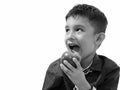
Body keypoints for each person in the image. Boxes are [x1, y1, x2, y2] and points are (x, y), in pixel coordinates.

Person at [42, 4, 120, 90]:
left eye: (78, 29)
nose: (69, 36)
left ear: (98, 39)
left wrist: (82, 84)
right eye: (67, 30)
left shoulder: (109, 69)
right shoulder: (55, 69)